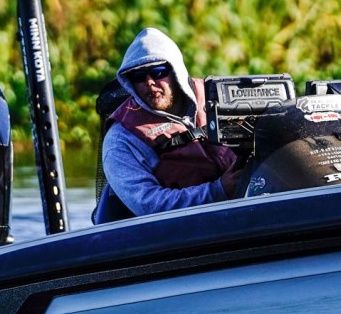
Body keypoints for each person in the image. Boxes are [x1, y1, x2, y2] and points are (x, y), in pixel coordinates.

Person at [93, 27, 243, 224]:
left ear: (176, 71)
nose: (149, 82)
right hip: (180, 230)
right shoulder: (120, 139)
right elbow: (147, 204)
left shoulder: (220, 97)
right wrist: (218, 191)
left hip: (245, 208)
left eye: (158, 72)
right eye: (138, 76)